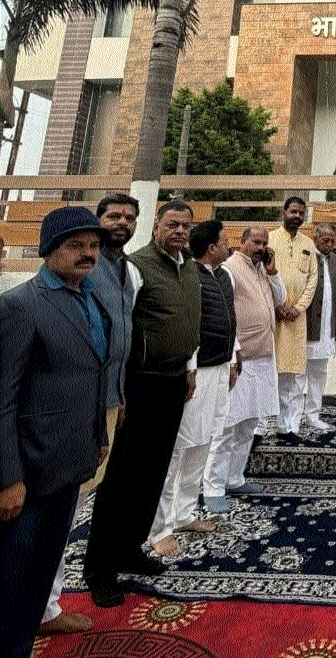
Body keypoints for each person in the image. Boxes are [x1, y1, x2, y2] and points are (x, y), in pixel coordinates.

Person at [1, 207, 111, 658]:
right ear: (49, 250)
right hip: (28, 473)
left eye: (93, 246)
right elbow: (2, 398)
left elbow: (95, 373)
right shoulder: (20, 306)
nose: (88, 254)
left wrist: (97, 438)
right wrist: (8, 478)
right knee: (12, 582)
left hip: (69, 466)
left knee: (41, 573)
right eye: (75, 245)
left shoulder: (90, 298)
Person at [83, 200, 201, 608]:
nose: (180, 231)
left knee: (153, 471)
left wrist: (189, 365)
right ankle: (99, 568)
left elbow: (189, 321)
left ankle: (131, 548)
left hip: (174, 382)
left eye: (186, 226)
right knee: (121, 476)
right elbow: (122, 326)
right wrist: (123, 387)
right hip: (140, 383)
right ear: (156, 226)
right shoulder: (136, 266)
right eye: (173, 224)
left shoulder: (189, 267)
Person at [39, 194, 138, 635]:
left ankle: (46, 603)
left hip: (105, 403)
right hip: (59, 414)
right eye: (113, 216)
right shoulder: (32, 301)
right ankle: (42, 608)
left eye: (130, 217)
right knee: (52, 511)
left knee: (72, 507)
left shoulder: (121, 271)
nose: (122, 223)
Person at [148, 220, 240, 555]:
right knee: (178, 447)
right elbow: (187, 324)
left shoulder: (224, 275)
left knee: (204, 440)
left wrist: (234, 355)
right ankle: (159, 528)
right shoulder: (190, 276)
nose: (228, 246)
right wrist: (190, 367)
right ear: (212, 246)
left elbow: (230, 318)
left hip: (219, 369)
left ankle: (184, 514)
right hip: (195, 372)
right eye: (225, 241)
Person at [203, 227, 285, 512]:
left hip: (263, 356)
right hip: (240, 358)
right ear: (243, 242)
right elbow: (224, 311)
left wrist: (273, 272)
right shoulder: (229, 268)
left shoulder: (263, 269)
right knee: (227, 425)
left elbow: (281, 299)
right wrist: (233, 352)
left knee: (249, 424)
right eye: (256, 241)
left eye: (264, 243)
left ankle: (235, 478)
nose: (260, 246)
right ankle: (213, 485)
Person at [269, 197, 318, 444]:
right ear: (284, 212)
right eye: (293, 211)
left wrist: (298, 308)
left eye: (301, 212)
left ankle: (290, 427)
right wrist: (275, 306)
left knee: (295, 375)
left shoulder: (308, 243)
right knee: (272, 372)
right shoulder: (269, 239)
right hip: (273, 317)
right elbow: (262, 274)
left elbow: (312, 280)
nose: (297, 216)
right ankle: (268, 425)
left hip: (297, 319)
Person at [305, 223, 336, 432]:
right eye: (325, 240)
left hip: (327, 326)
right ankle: (290, 418)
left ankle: (313, 415)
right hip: (305, 325)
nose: (329, 244)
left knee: (319, 372)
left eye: (332, 241)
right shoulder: (306, 258)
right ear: (316, 237)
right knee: (296, 374)